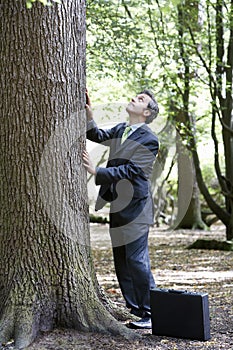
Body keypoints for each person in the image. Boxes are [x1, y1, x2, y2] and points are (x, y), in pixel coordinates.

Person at [83, 89, 159, 329]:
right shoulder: (120, 129)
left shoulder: (150, 139)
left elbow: (132, 171)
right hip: (117, 204)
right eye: (135, 96)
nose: (134, 98)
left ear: (146, 112)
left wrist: (98, 172)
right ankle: (136, 310)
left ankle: (151, 312)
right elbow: (95, 134)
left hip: (136, 208)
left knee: (136, 261)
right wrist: (89, 114)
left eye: (140, 99)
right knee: (122, 262)